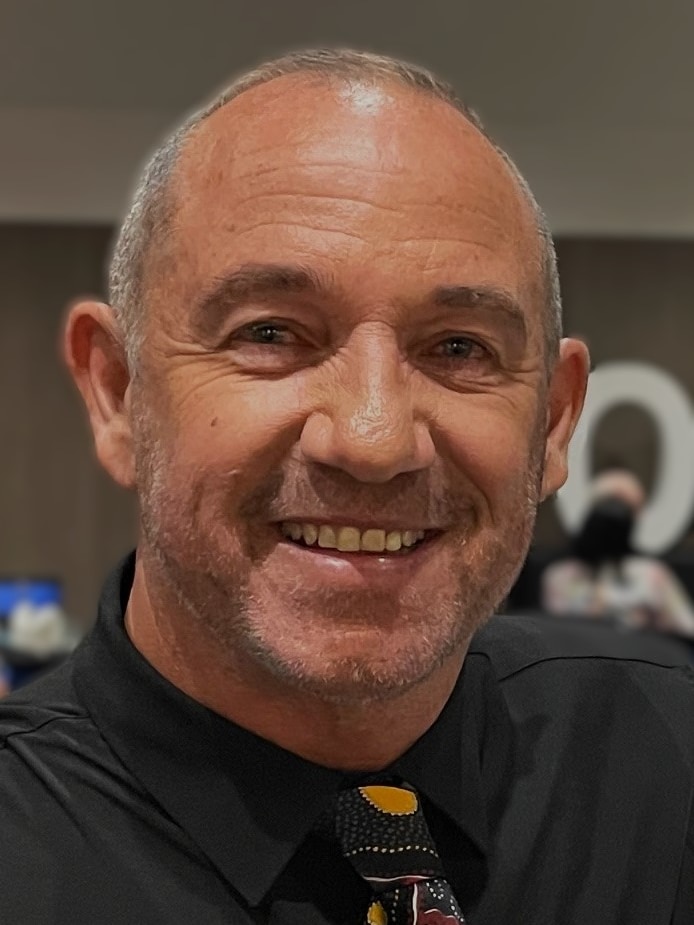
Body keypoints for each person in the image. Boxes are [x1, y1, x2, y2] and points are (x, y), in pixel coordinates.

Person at [0, 49, 692, 924]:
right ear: (118, 394)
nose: (373, 440)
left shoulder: (666, 773)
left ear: (552, 423)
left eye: (459, 348)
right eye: (272, 332)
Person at [542, 468, 694, 635]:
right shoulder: (561, 576)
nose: (613, 517)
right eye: (607, 504)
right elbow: (555, 631)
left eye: (623, 509)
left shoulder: (652, 577)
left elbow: (685, 627)